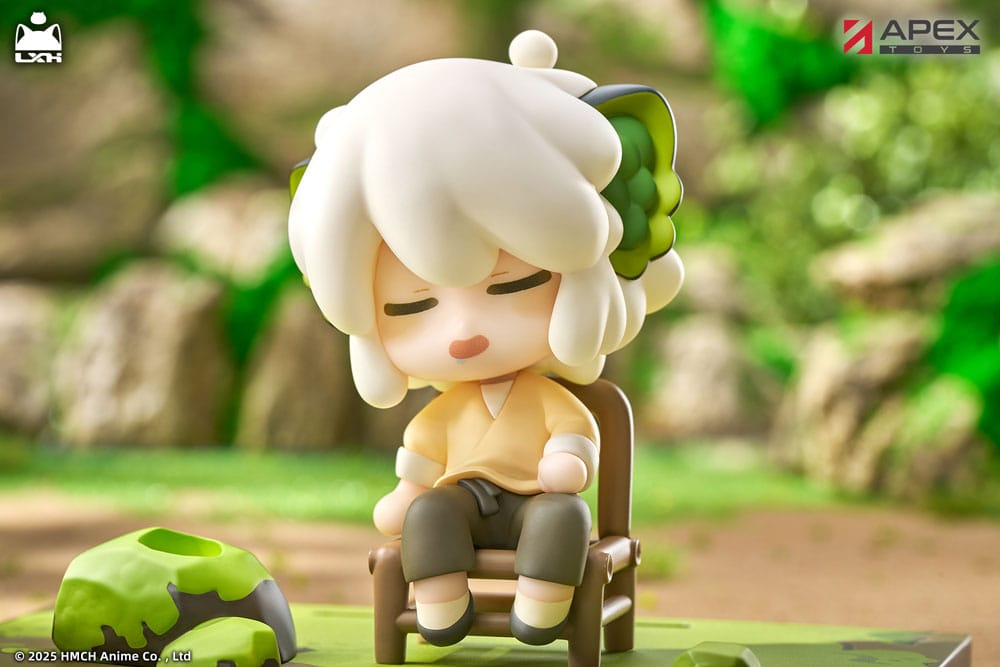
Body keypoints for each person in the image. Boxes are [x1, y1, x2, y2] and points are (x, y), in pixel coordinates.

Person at [288, 29, 683, 647]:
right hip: (461, 503)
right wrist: (410, 491)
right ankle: (441, 604)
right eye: (412, 304)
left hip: (536, 501)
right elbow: (420, 468)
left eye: (515, 285)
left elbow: (574, 444)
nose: (464, 331)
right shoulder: (443, 414)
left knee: (563, 514)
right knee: (428, 513)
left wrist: (567, 461)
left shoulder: (550, 400)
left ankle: (542, 603)